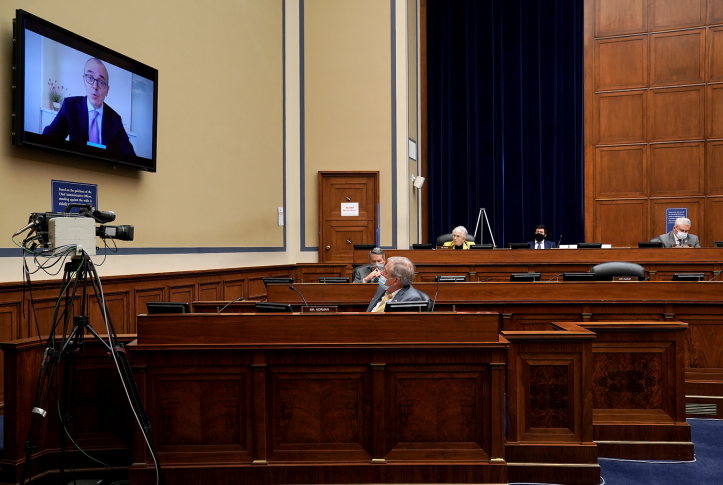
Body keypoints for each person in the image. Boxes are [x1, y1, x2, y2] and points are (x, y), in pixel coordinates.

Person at [42, 58, 136, 157]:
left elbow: (130, 157)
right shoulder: (70, 107)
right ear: (84, 80)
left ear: (107, 90)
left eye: (101, 82)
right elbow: (47, 139)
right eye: (90, 78)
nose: (95, 86)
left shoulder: (115, 119)